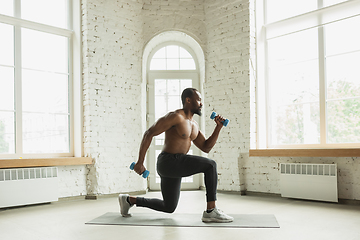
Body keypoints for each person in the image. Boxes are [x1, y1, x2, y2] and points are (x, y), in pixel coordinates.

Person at [119, 88, 233, 223]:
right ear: (188, 100)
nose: (201, 104)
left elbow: (206, 147)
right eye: (199, 100)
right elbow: (149, 133)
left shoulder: (194, 125)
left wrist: (218, 127)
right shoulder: (175, 117)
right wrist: (140, 162)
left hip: (176, 164)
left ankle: (128, 200)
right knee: (210, 165)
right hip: (168, 161)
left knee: (169, 206)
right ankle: (211, 210)